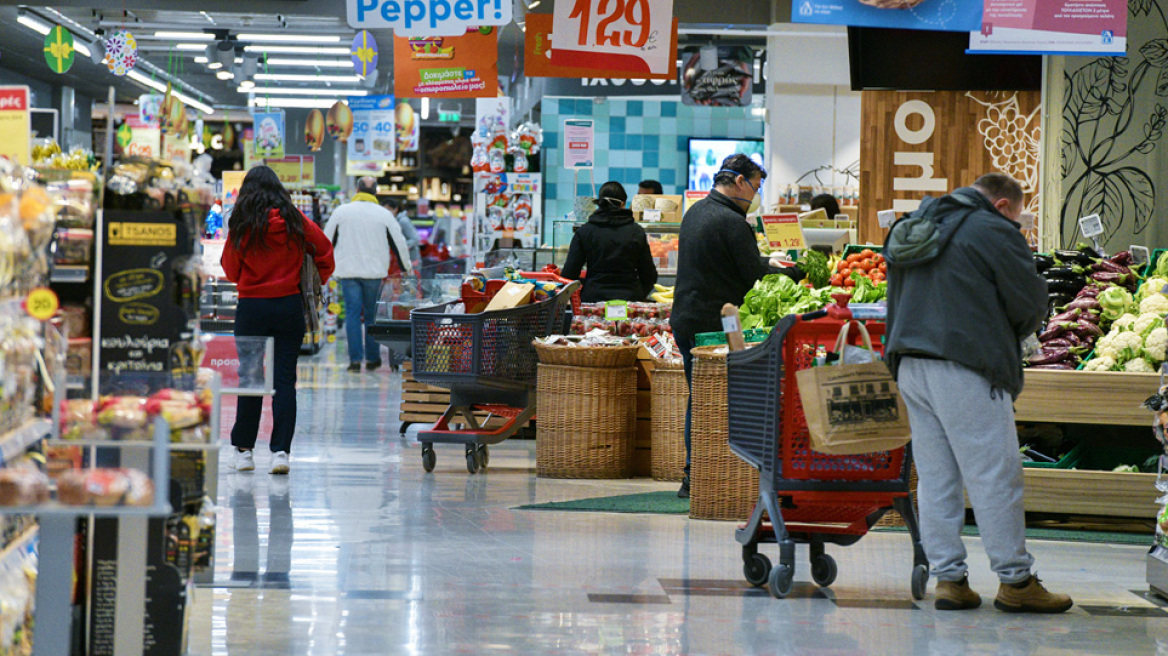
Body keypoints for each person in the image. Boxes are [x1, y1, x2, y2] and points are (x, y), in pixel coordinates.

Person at [884, 172, 1072, 614]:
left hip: (911, 363)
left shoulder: (917, 221)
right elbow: (1029, 302)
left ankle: (948, 579)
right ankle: (1016, 581)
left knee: (936, 477)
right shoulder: (993, 229)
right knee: (994, 474)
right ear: (1004, 206)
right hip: (965, 362)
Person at [669, 154, 803, 498]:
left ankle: (695, 474)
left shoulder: (697, 211)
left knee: (699, 398)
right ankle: (699, 475)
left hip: (686, 317)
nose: (757, 193)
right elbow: (753, 276)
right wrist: (795, 273)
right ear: (740, 181)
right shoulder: (732, 221)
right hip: (711, 324)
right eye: (756, 185)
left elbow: (731, 260)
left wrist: (764, 260)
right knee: (710, 402)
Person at [221, 165, 335, 475]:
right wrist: (314, 281)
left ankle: (244, 453)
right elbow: (325, 251)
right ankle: (280, 453)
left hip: (252, 308)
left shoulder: (242, 223)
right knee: (285, 380)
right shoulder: (296, 220)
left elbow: (230, 270)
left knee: (250, 379)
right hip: (288, 306)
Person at [325, 177, 413, 372]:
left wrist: (323, 268)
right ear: (376, 191)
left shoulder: (341, 212)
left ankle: (355, 361)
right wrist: (406, 268)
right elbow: (399, 243)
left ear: (357, 189)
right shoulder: (384, 215)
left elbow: (326, 240)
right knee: (372, 316)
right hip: (374, 273)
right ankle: (373, 359)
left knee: (352, 315)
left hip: (348, 271)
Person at [561, 182, 658, 303]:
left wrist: (583, 291)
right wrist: (638, 294)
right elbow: (649, 274)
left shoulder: (584, 232)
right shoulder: (636, 231)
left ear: (600, 203)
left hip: (593, 300)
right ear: (622, 203)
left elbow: (569, 274)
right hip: (630, 300)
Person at [383, 197, 422, 267]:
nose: (386, 212)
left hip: (411, 261)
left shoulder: (403, 221)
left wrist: (401, 246)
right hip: (401, 262)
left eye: (389, 209)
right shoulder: (391, 221)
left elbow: (415, 239)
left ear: (396, 209)